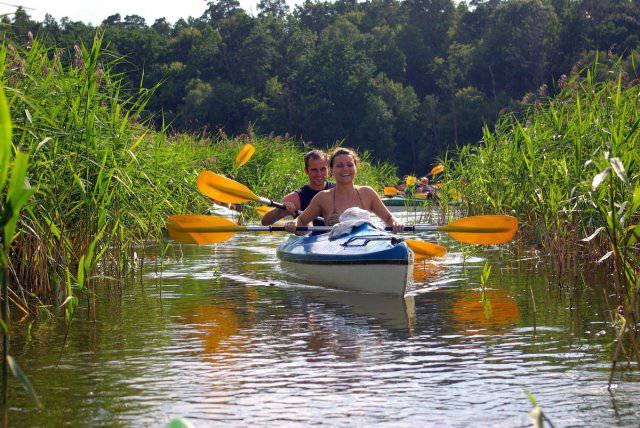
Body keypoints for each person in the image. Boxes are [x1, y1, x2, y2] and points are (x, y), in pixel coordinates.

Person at [284, 148, 404, 233]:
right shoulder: (322, 197)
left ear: (356, 168)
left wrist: (396, 222)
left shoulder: (368, 193)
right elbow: (301, 220)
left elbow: (389, 218)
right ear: (331, 170)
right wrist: (294, 223)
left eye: (350, 165)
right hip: (335, 248)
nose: (345, 169)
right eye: (340, 166)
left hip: (365, 244)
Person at [261, 149, 334, 226]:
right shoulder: (295, 198)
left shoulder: (339, 189)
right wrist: (278, 210)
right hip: (308, 236)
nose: (319, 174)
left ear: (328, 169)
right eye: (314, 170)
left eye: (323, 169)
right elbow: (265, 222)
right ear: (306, 171)